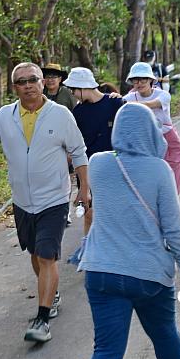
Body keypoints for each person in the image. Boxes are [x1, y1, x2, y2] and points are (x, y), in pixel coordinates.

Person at [79, 103, 180, 359]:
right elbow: (174, 230)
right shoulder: (160, 170)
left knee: (107, 351)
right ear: (151, 131)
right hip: (148, 275)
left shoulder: (97, 163)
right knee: (163, 332)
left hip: (101, 271)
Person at [0, 62, 90, 343]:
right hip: (23, 201)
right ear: (14, 87)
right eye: (21, 81)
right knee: (36, 255)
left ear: (43, 83)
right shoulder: (4, 116)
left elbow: (79, 152)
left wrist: (83, 189)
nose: (27, 85)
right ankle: (52, 292)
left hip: (54, 198)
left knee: (48, 254)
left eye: (32, 80)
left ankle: (42, 318)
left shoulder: (60, 115)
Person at [64, 67, 125, 235]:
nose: (73, 94)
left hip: (113, 167)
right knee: (89, 213)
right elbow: (75, 142)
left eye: (73, 89)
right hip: (87, 168)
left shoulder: (115, 103)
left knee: (113, 212)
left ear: (83, 87)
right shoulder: (78, 111)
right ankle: (88, 248)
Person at [123, 62, 180, 192]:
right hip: (145, 140)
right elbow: (119, 104)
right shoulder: (129, 97)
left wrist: (128, 103)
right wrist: (115, 97)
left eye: (143, 79)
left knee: (174, 169)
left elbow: (151, 104)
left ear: (151, 79)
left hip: (168, 138)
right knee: (150, 175)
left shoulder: (163, 95)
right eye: (135, 80)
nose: (139, 83)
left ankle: (173, 202)